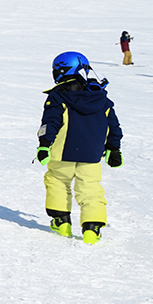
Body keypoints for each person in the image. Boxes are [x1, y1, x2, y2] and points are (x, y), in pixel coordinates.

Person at [38, 52, 122, 243]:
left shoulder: (58, 96)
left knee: (58, 181)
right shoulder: (100, 98)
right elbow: (113, 126)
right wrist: (114, 148)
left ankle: (62, 221)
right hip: (91, 153)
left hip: (62, 153)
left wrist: (44, 145)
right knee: (90, 188)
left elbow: (50, 123)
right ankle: (92, 229)